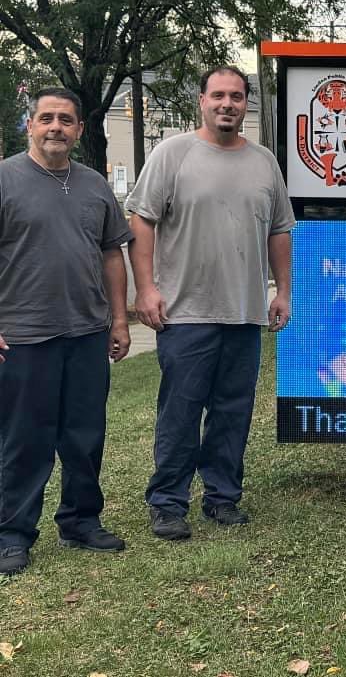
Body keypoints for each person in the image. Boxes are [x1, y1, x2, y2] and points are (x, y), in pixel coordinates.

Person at [127, 67, 295, 541]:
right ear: (201, 100)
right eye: (218, 95)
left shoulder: (264, 162)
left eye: (237, 96)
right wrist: (146, 289)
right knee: (180, 411)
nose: (228, 104)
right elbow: (142, 223)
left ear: (247, 104)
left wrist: (281, 290)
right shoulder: (172, 154)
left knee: (233, 410)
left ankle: (222, 499)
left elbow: (279, 230)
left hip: (243, 313)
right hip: (185, 313)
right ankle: (168, 503)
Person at [0, 88, 132, 576]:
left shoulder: (95, 185)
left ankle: (81, 520)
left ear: (79, 130)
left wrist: (119, 320)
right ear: (30, 125)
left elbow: (111, 254)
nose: (56, 127)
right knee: (24, 439)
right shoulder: (6, 178)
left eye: (66, 120)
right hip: (24, 334)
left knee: (84, 435)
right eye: (46, 118)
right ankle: (13, 533)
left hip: (86, 333)